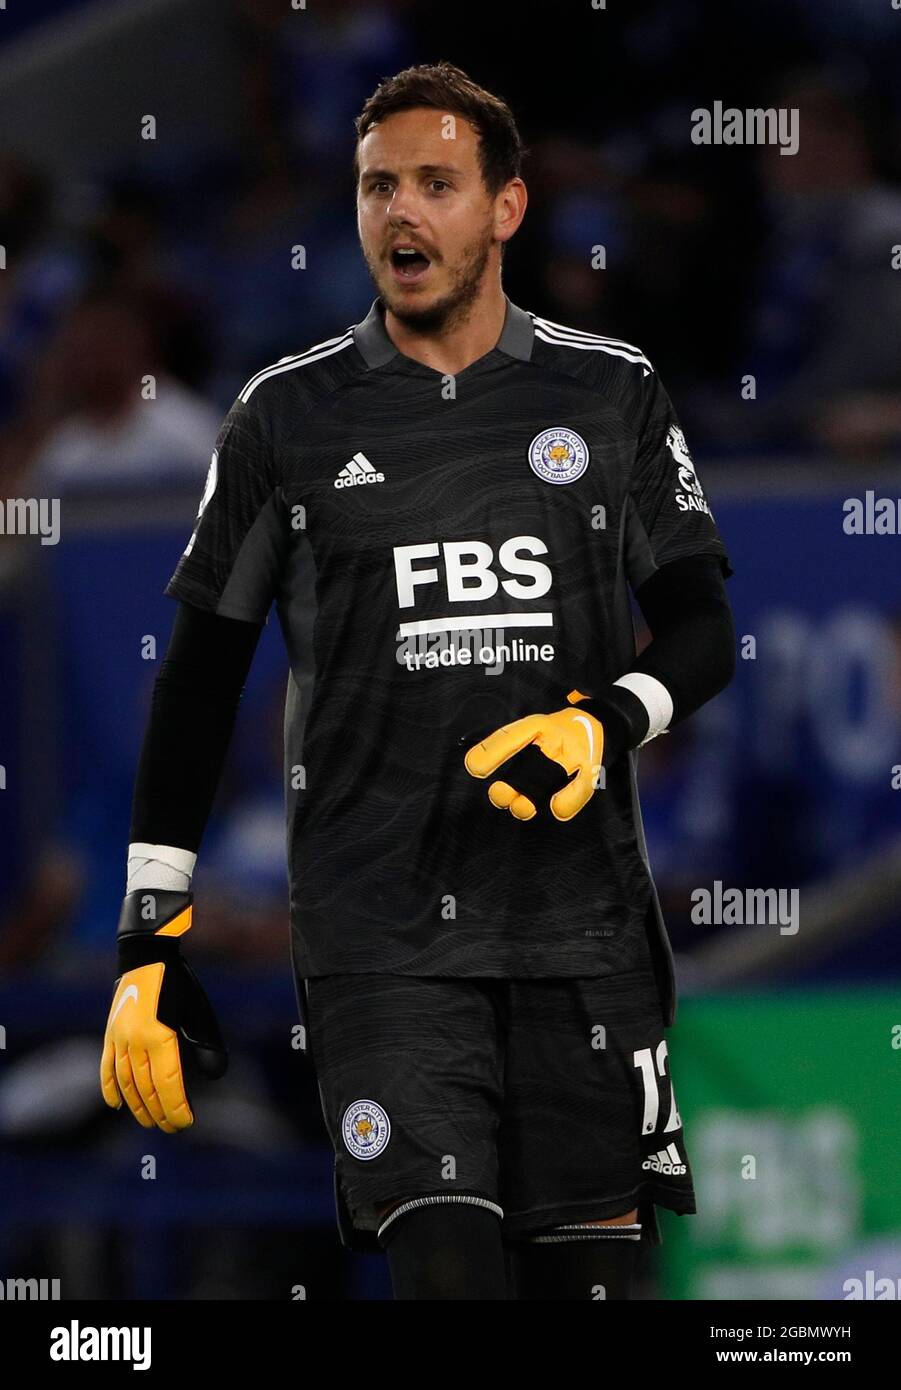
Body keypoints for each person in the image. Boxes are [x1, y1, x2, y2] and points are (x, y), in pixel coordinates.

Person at [100, 62, 735, 1301]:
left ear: (506, 207)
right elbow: (196, 681)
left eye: (436, 184)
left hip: (582, 937)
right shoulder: (286, 418)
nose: (401, 212)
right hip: (381, 939)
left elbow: (706, 633)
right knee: (448, 1273)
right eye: (377, 185)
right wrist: (147, 938)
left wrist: (607, 721)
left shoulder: (608, 394)